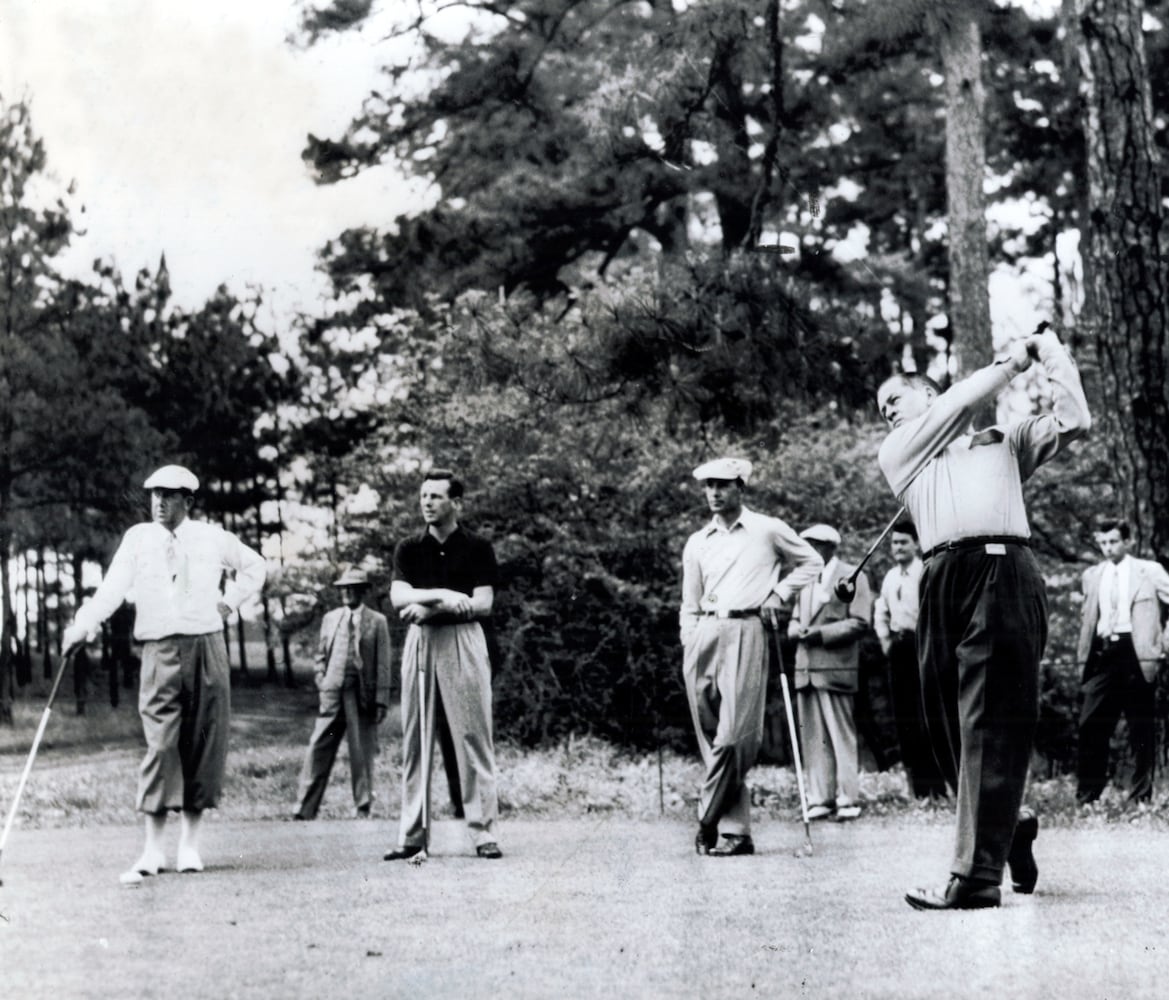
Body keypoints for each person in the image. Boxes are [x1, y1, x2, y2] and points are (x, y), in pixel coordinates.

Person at [876, 327, 1090, 910]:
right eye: (883, 408)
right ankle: (1010, 819)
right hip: (941, 577)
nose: (889, 411)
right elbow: (960, 404)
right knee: (947, 720)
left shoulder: (1004, 441)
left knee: (990, 718)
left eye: (896, 399)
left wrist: (1048, 354)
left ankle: (974, 879)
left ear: (930, 391)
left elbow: (1075, 422)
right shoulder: (901, 450)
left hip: (1003, 569)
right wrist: (1009, 360)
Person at [62, 464, 266, 884]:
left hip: (206, 646)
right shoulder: (138, 539)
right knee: (160, 745)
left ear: (187, 501)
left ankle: (189, 846)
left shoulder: (212, 536)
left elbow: (255, 567)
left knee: (202, 742)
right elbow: (112, 589)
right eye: (154, 494)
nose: (159, 502)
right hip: (157, 649)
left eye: (169, 495)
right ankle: (152, 850)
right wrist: (83, 626)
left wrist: (228, 603)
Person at [680, 457, 822, 856]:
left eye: (723, 484)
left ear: (741, 486)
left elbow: (812, 560)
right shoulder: (698, 541)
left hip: (747, 629)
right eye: (708, 485)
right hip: (704, 633)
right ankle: (736, 831)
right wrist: (688, 639)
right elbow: (688, 601)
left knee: (735, 738)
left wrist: (779, 594)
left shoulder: (767, 529)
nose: (714, 492)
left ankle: (706, 818)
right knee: (711, 736)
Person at [382, 469, 503, 861]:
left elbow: (482, 604)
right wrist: (445, 596)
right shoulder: (408, 548)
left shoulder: (478, 547)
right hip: (421, 647)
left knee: (472, 736)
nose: (427, 502)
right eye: (423, 496)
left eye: (436, 496)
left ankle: (483, 832)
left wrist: (428, 609)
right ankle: (413, 836)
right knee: (415, 741)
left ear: (457, 503)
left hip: (464, 641)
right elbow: (400, 598)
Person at [1075, 518, 1169, 805]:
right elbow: (1088, 619)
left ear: (1128, 542)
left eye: (1113, 541)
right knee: (1090, 724)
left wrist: (1163, 644)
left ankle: (1139, 797)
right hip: (1104, 655)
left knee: (1140, 728)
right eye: (1103, 543)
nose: (1108, 548)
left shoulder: (1149, 572)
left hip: (1138, 656)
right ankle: (1088, 797)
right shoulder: (1092, 575)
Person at [784, 524, 873, 821]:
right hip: (805, 668)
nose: (807, 549)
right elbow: (794, 621)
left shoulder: (854, 575)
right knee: (812, 736)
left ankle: (847, 798)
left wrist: (819, 634)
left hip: (835, 669)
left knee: (839, 734)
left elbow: (860, 622)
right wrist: (798, 631)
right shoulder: (805, 579)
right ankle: (820, 797)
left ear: (829, 547)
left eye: (813, 544)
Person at [292, 567, 392, 820]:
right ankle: (304, 809)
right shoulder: (331, 618)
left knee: (362, 751)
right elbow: (320, 657)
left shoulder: (377, 621)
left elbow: (383, 664)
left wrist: (381, 700)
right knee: (319, 747)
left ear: (363, 591)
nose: (346, 592)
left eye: (352, 587)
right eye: (343, 588)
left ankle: (363, 807)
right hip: (333, 693)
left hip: (363, 696)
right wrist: (322, 682)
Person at [872, 519, 948, 799]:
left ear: (916, 544)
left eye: (904, 542)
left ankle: (938, 790)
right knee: (905, 719)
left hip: (925, 646)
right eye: (894, 543)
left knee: (928, 717)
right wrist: (885, 641)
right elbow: (880, 609)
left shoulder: (926, 571)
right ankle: (918, 790)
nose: (898, 548)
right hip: (899, 648)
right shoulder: (891, 577)